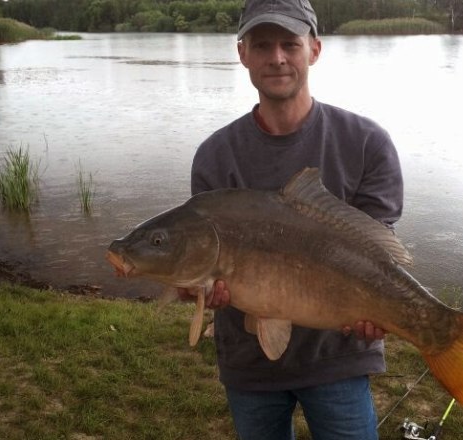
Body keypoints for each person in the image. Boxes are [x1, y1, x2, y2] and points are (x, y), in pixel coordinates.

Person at [183, 1, 404, 438]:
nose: (277, 57)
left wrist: (384, 310)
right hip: (250, 363)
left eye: (290, 43)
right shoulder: (215, 156)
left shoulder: (366, 143)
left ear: (314, 50)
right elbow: (198, 257)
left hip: (339, 354)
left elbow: (382, 252)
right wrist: (200, 286)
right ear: (242, 53)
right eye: (263, 45)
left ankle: (446, 335)